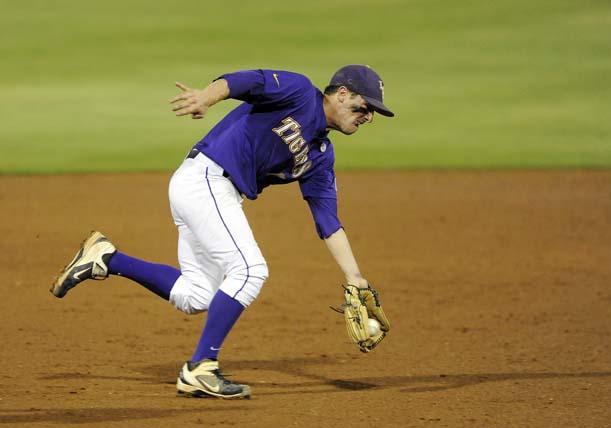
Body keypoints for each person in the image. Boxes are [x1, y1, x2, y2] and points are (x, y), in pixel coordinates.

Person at [50, 65, 393, 399]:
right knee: (250, 271)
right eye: (365, 107)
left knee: (196, 296)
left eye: (374, 113)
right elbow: (245, 82)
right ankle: (201, 367)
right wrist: (206, 98)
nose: (368, 116)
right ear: (343, 93)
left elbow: (327, 220)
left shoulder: (320, 154)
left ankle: (106, 258)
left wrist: (356, 278)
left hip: (210, 191)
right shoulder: (300, 92)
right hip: (207, 180)